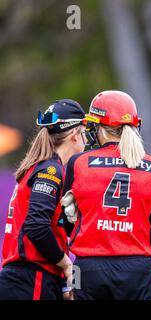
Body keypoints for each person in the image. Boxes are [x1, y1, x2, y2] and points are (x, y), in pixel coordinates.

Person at [61, 90, 151, 300]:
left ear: (98, 127)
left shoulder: (78, 162)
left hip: (88, 267)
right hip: (139, 267)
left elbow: (67, 223)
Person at [0, 99, 86, 300]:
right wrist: (66, 265)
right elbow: (37, 227)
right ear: (74, 134)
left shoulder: (39, 167)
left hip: (25, 278)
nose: (86, 138)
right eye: (84, 131)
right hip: (31, 279)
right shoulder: (49, 169)